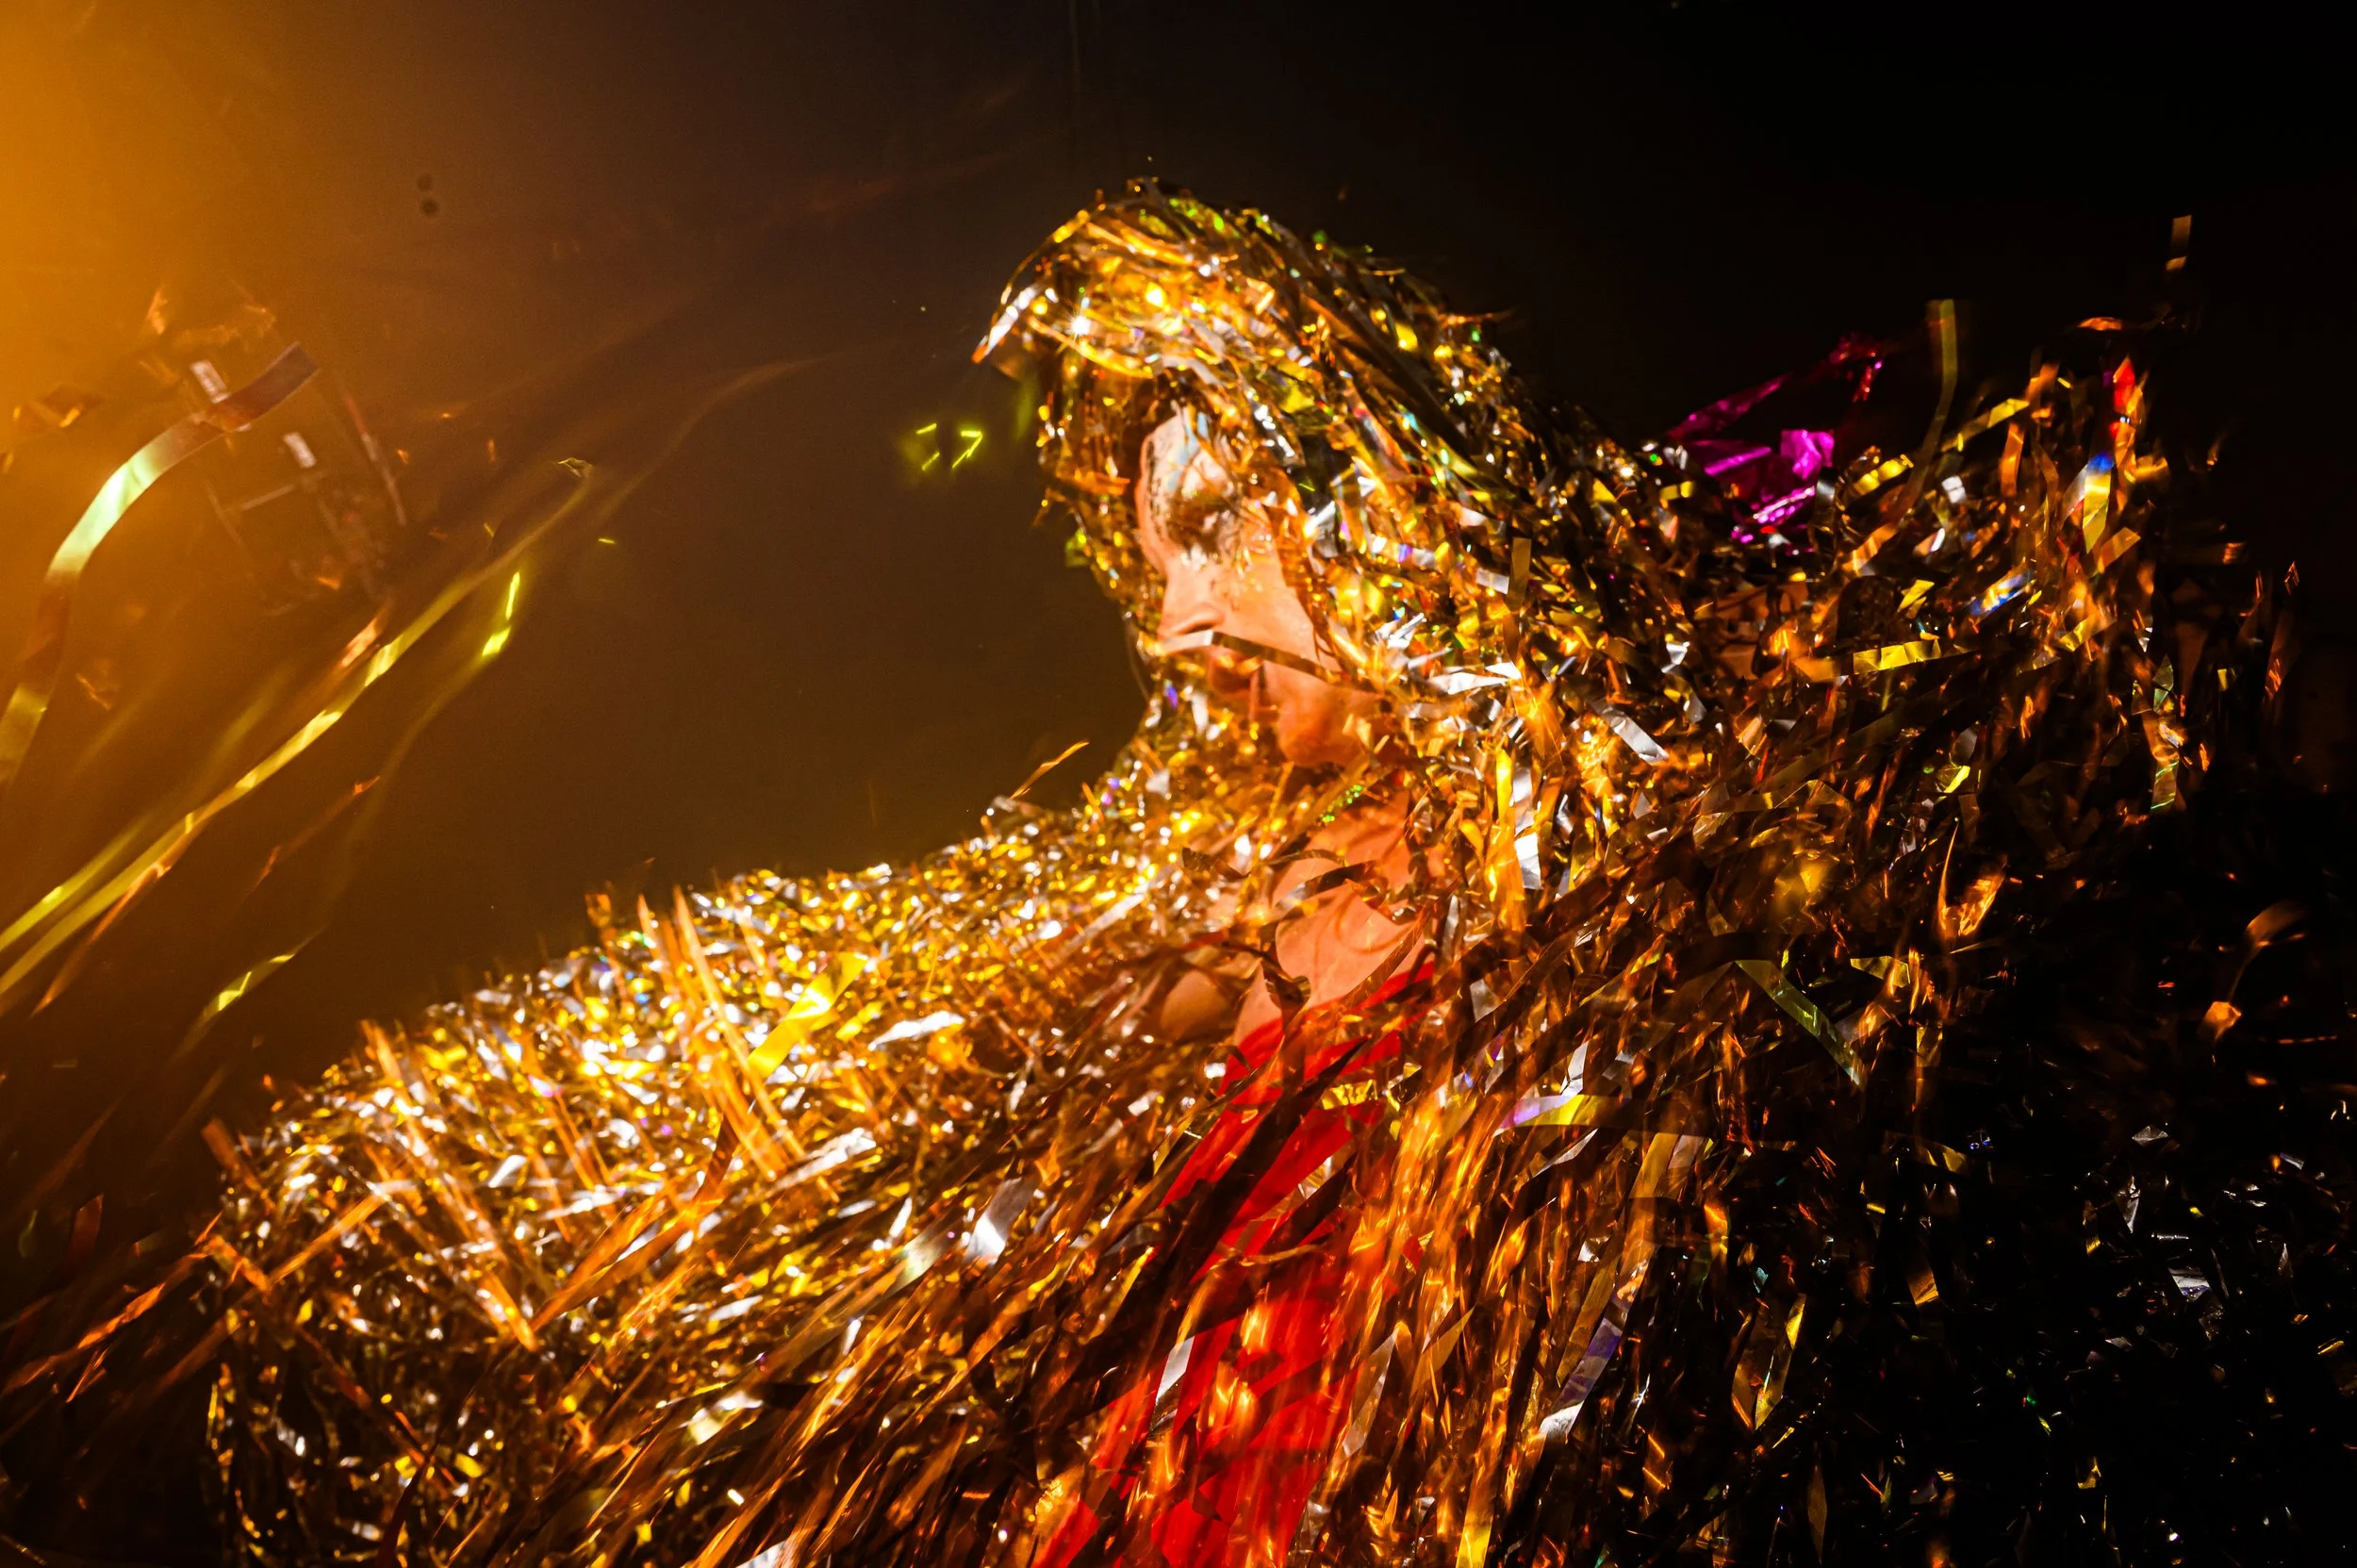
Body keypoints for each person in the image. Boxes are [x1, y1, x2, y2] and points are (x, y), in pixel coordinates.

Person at [9, 181, 2352, 1567]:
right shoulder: (1214, 882)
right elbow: (902, 1027)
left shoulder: (1654, 853)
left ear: (1391, 493)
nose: (1180, 613)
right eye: (1147, 555)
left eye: (1224, 521)